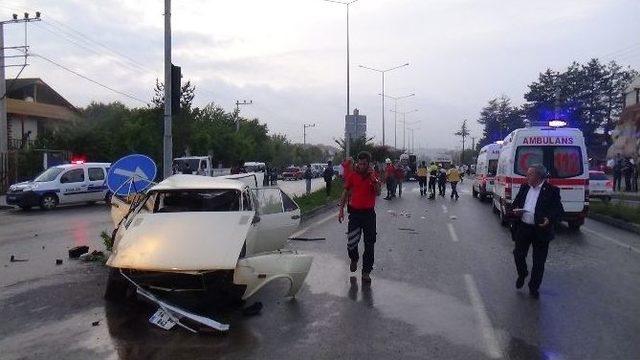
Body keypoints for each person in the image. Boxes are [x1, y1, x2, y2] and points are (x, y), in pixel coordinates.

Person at [511, 164, 564, 299]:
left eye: (530, 174)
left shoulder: (551, 191)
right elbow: (515, 204)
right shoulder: (524, 188)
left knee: (539, 262)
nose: (526, 176)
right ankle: (522, 273)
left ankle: (534, 287)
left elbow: (558, 211)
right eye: (527, 174)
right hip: (524, 227)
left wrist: (549, 219)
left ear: (539, 176)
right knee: (518, 254)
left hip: (541, 229)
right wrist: (516, 210)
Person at [338, 151, 381, 283]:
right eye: (359, 163)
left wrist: (374, 182)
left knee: (369, 244)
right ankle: (354, 258)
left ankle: (366, 272)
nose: (361, 166)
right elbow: (345, 192)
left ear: (368, 164)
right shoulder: (353, 175)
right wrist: (341, 209)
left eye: (364, 164)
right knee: (352, 242)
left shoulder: (373, 175)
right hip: (355, 214)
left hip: (369, 215)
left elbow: (378, 192)